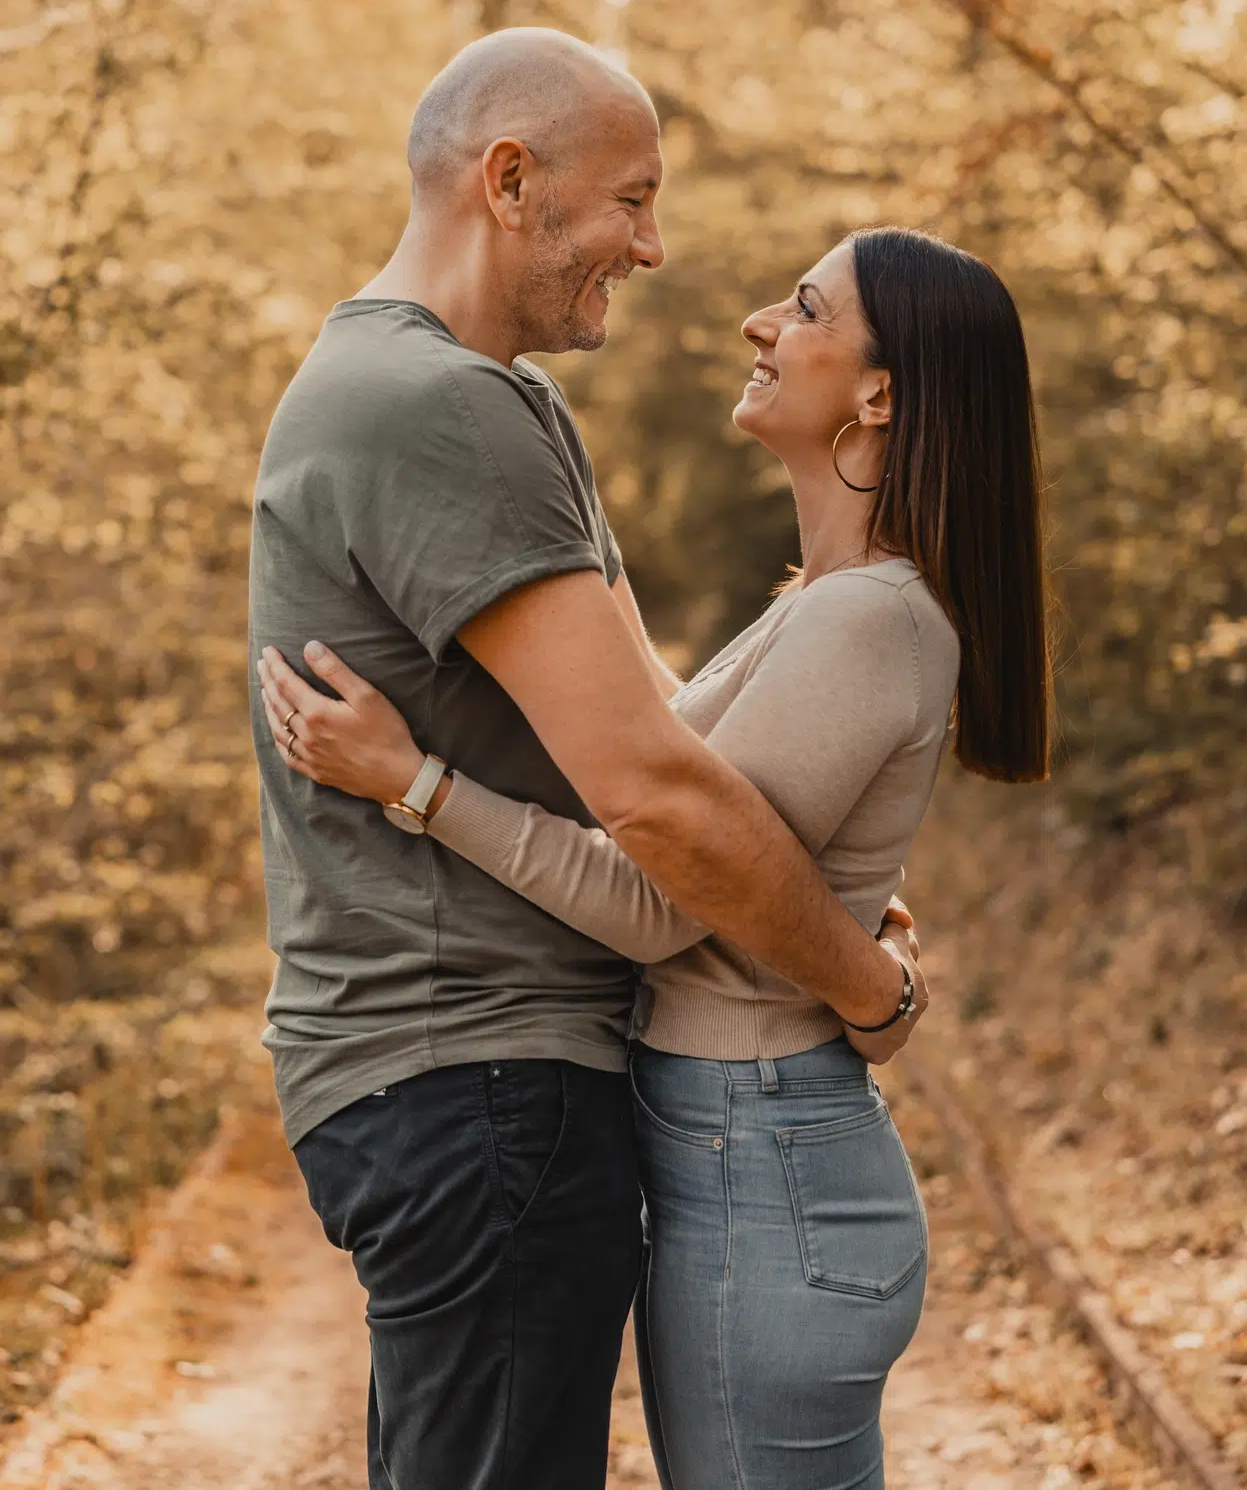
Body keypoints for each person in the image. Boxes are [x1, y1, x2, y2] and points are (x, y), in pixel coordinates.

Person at [259, 220, 1052, 1490]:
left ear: (878, 393)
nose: (758, 322)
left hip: (769, 1152)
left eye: (801, 308)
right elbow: (675, 772)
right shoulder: (821, 604)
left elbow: (651, 898)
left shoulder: (865, 618)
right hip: (743, 1142)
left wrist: (415, 784)